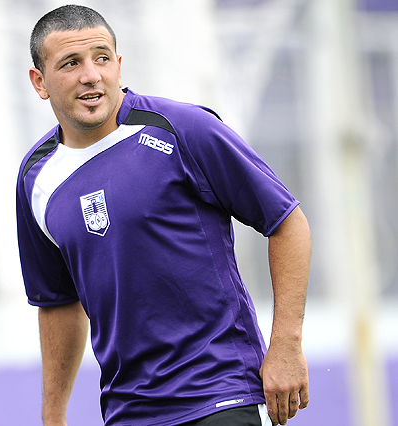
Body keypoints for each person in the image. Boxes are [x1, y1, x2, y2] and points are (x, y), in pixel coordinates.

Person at [16, 5, 311, 426]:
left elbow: (287, 222)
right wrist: (52, 416)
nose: (91, 75)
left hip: (222, 395)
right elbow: (58, 302)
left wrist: (286, 344)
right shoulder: (35, 178)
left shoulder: (183, 128)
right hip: (129, 413)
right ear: (39, 82)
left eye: (102, 58)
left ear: (119, 65)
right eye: (71, 63)